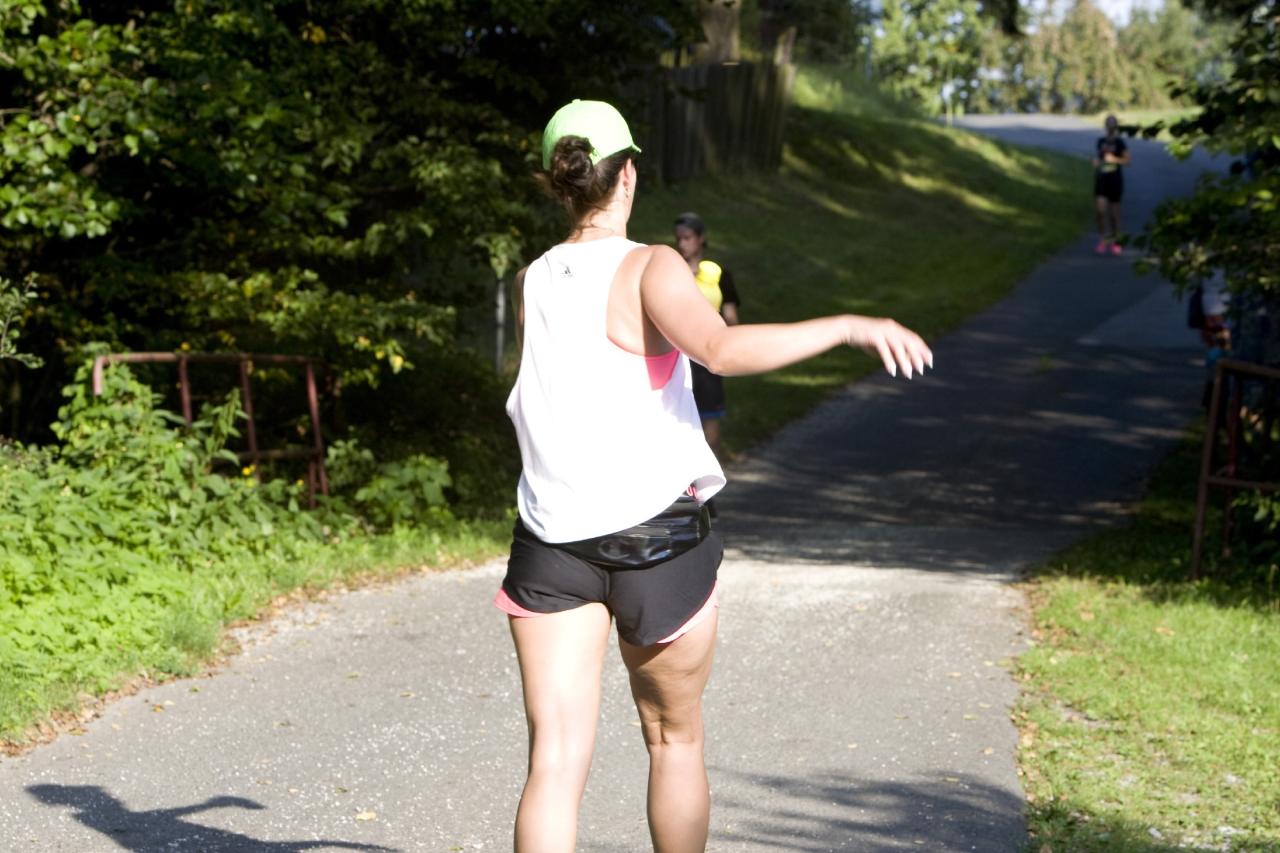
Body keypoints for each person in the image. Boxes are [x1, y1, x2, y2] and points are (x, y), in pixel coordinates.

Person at [493, 99, 933, 853]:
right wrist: (849, 325)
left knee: (555, 762)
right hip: (658, 541)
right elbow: (718, 349)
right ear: (628, 175)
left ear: (558, 181)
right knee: (674, 739)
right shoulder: (651, 265)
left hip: (551, 544)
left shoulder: (530, 280)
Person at [673, 211, 738, 463]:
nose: (682, 244)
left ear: (701, 238)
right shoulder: (670, 274)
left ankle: (713, 475)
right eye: (678, 238)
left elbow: (732, 319)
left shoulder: (720, 275)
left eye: (687, 237)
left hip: (707, 356)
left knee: (709, 420)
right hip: (677, 357)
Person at [1092, 114, 1131, 255]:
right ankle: (1103, 240)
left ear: (1116, 126)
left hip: (1115, 180)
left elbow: (1127, 161)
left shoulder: (1120, 143)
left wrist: (1114, 159)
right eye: (1108, 123)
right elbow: (1099, 158)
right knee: (1100, 212)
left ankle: (1115, 241)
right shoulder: (1100, 141)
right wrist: (1096, 162)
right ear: (1105, 125)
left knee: (1114, 216)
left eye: (1112, 123)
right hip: (1101, 179)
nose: (1110, 126)